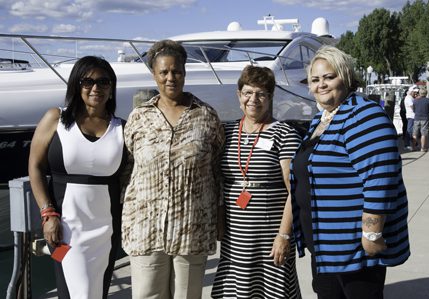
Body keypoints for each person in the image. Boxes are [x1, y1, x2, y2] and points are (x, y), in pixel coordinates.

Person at [290, 46, 410, 299]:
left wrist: (372, 233)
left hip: (354, 249)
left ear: (345, 76)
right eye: (315, 79)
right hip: (326, 246)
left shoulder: (364, 115)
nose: (321, 84)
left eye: (329, 77)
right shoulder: (321, 121)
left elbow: (380, 179)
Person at [121, 39, 224, 299]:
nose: (170, 77)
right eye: (163, 72)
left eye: (176, 71)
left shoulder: (206, 116)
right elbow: (129, 167)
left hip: (192, 229)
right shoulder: (139, 117)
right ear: (154, 74)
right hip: (145, 229)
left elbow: (216, 169)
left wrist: (219, 216)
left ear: (184, 72)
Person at [28, 56, 126, 298]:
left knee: (96, 292)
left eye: (103, 82)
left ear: (111, 88)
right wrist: (47, 214)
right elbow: (35, 166)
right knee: (75, 290)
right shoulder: (56, 119)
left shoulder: (122, 128)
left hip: (106, 231)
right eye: (87, 81)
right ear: (76, 85)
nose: (96, 88)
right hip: (64, 228)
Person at [211, 65, 302, 299]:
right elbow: (218, 182)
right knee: (237, 291)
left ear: (270, 97)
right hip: (236, 236)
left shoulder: (284, 134)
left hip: (270, 234)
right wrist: (220, 220)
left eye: (261, 93)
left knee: (272, 291)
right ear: (239, 95)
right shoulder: (227, 131)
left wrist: (283, 236)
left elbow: (295, 189)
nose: (254, 99)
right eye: (248, 92)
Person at [413, 88, 429, 152]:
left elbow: (414, 110)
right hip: (425, 118)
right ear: (426, 93)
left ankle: (414, 147)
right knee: (424, 134)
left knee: (415, 133)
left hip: (416, 118)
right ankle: (423, 148)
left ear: (419, 93)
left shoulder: (415, 100)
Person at [404, 85, 418, 150]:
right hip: (411, 116)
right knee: (409, 130)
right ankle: (407, 145)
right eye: (414, 92)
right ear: (411, 91)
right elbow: (413, 107)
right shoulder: (408, 98)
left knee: (413, 131)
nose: (415, 93)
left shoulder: (411, 98)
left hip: (413, 116)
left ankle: (415, 144)